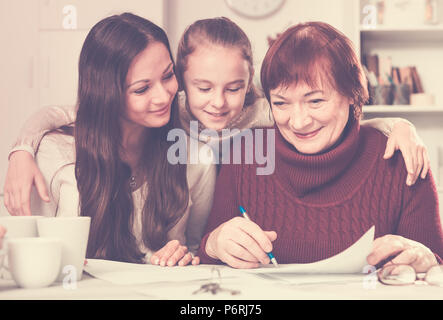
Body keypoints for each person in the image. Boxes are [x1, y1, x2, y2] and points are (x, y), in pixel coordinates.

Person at [3, 17, 431, 216]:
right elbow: (63, 112)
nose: (219, 104)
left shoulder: (265, 111)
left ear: (250, 85)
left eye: (234, 88)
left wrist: (398, 125)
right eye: (203, 88)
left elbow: (331, 119)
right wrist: (21, 149)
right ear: (185, 81)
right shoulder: (172, 110)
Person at [197, 22, 443, 272]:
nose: (299, 122)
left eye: (315, 101)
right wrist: (214, 244)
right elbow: (206, 261)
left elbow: (435, 262)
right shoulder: (246, 153)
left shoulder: (402, 158)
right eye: (281, 104)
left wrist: (428, 260)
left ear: (351, 94)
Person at [5, 13, 217, 266]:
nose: (163, 96)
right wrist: (22, 149)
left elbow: (195, 251)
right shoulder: (54, 154)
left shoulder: (197, 159)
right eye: (141, 89)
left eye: (168, 75)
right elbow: (27, 257)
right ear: (106, 94)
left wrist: (183, 258)